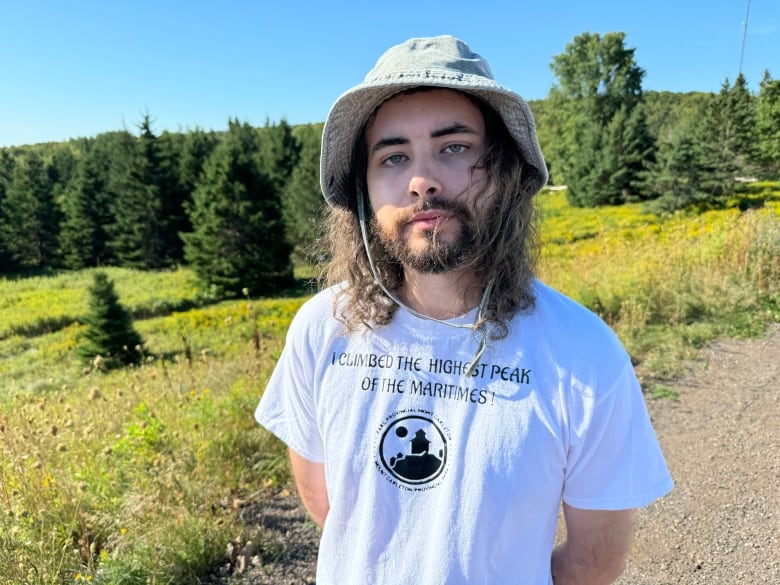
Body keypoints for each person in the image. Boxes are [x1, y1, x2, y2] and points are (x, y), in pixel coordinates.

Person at [255, 35, 673, 585]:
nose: (421, 180)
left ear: (504, 172)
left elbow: (591, 562)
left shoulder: (583, 356)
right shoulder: (322, 329)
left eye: (454, 148)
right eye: (394, 156)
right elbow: (328, 504)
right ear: (365, 190)